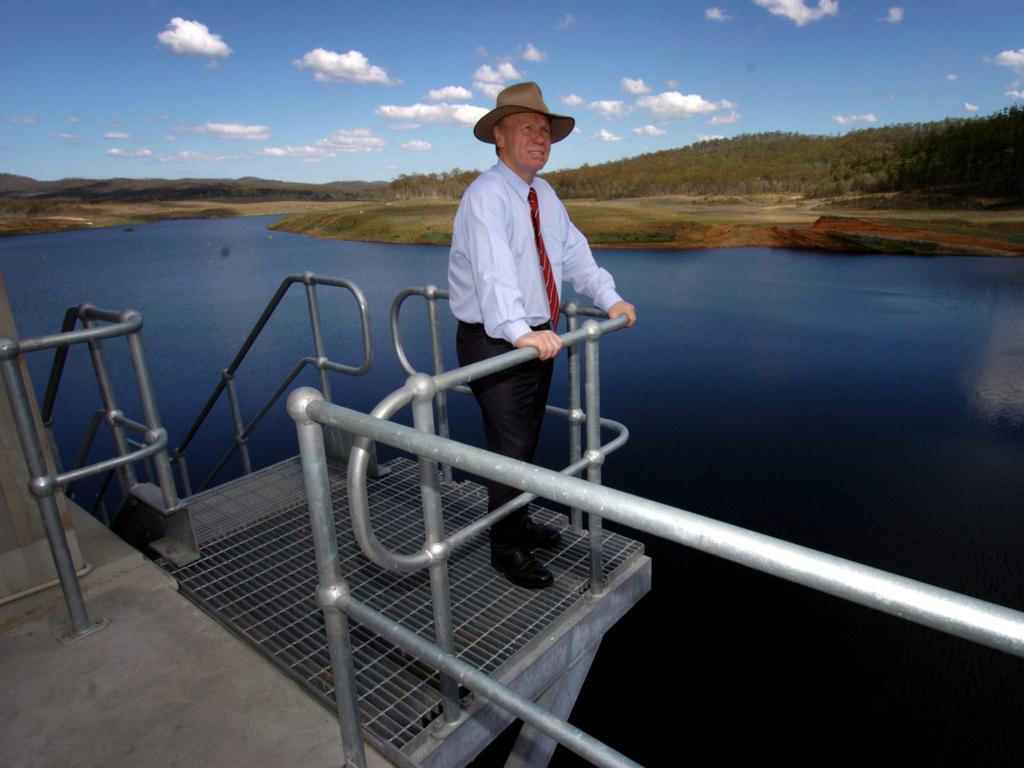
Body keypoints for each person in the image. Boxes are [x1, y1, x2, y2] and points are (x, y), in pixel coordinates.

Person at [448, 81, 637, 589]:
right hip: (496, 339)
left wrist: (610, 298)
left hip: (536, 338)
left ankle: (518, 521)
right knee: (509, 449)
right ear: (499, 138)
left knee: (524, 443)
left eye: (545, 130)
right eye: (527, 127)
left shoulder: (544, 195)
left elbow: (574, 255)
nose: (540, 137)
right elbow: (493, 273)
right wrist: (517, 331)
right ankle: (505, 549)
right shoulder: (486, 195)